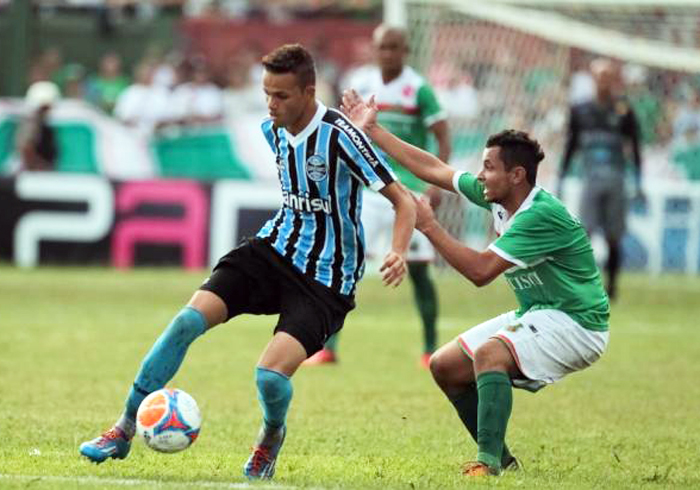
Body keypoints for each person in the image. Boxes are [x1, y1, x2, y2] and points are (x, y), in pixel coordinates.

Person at [79, 44, 416, 479]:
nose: (271, 105)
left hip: (325, 279)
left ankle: (270, 436)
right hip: (271, 251)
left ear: (309, 91)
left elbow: (401, 199)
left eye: (281, 96)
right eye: (266, 94)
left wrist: (397, 251)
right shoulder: (271, 130)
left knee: (270, 379)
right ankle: (123, 427)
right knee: (186, 322)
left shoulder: (340, 135)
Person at [342, 89, 610, 476]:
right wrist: (375, 130)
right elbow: (435, 169)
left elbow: (481, 272)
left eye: (488, 167)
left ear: (516, 175)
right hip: (540, 311)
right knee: (445, 365)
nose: (480, 174)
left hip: (578, 323)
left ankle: (487, 465)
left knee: (489, 354)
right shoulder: (500, 197)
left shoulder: (539, 216)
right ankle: (503, 460)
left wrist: (430, 225)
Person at [306, 24, 451, 367]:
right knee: (345, 264)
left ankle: (430, 350)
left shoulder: (419, 90)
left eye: (394, 47)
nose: (387, 54)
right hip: (369, 188)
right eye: (382, 47)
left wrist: (436, 184)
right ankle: (327, 347)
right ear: (374, 49)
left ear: (406, 51)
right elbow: (342, 132)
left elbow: (443, 136)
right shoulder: (362, 81)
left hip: (410, 189)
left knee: (418, 270)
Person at [558, 58, 643, 300]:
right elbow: (570, 145)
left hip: (617, 178)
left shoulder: (624, 110)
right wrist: (561, 178)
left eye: (608, 76)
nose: (604, 81)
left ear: (614, 80)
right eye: (599, 76)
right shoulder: (580, 109)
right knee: (586, 232)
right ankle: (584, 284)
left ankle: (612, 287)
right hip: (590, 179)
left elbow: (635, 147)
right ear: (593, 79)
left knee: (613, 235)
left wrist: (639, 181)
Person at [16, 81, 60, 172]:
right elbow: (26, 148)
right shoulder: (32, 122)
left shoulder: (41, 122)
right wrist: (39, 166)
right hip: (33, 175)